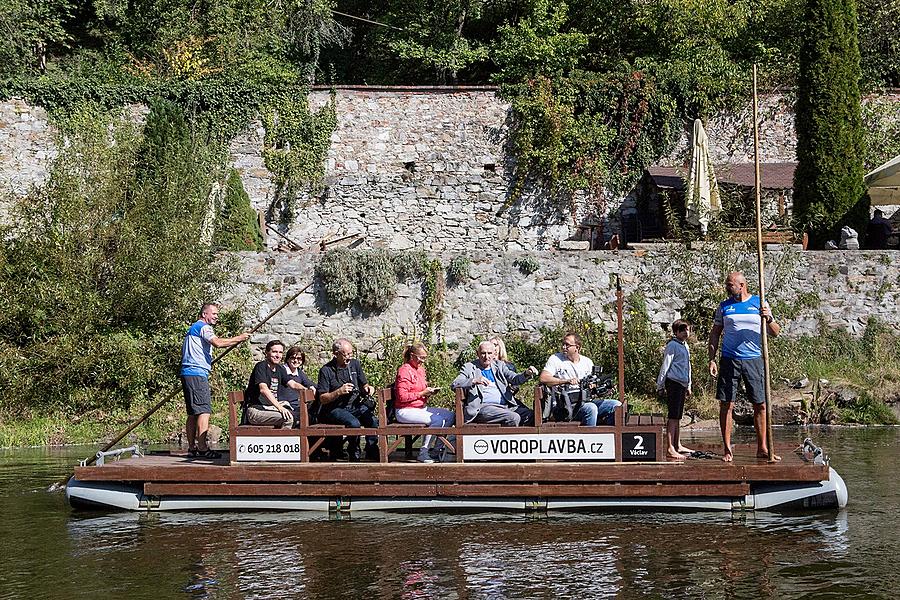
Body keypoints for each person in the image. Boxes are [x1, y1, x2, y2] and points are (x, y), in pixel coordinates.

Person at [708, 271, 781, 462]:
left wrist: (769, 318)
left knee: (760, 404)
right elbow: (715, 333)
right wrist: (712, 358)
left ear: (742, 285)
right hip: (729, 359)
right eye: (727, 284)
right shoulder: (724, 306)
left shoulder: (760, 303)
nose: (727, 288)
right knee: (726, 403)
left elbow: (776, 333)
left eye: (730, 284)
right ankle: (727, 449)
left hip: (754, 359)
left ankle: (763, 447)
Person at [180, 302, 249, 459]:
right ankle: (203, 447)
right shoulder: (204, 327)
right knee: (204, 410)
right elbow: (217, 343)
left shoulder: (193, 328)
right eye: (214, 314)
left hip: (188, 372)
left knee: (192, 413)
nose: (217, 317)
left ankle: (192, 447)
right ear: (205, 314)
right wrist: (239, 338)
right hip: (197, 373)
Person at [316, 338, 379, 461]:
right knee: (354, 423)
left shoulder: (355, 364)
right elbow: (322, 398)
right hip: (334, 408)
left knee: (372, 420)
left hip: (354, 405)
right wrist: (339, 392)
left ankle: (372, 449)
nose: (349, 357)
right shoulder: (326, 370)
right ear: (336, 354)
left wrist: (368, 388)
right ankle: (354, 450)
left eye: (351, 354)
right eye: (346, 355)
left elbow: (364, 384)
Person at [540, 332, 621, 425]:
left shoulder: (587, 362)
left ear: (577, 348)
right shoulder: (555, 359)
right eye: (563, 344)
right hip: (566, 406)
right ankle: (590, 437)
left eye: (567, 345)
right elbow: (543, 378)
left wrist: (602, 389)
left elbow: (594, 385)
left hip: (586, 401)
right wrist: (566, 381)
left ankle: (608, 434)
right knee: (591, 408)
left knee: (616, 405)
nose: (564, 347)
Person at [451, 341, 538, 426]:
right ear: (477, 354)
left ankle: (520, 439)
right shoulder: (469, 367)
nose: (486, 356)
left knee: (531, 415)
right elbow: (455, 383)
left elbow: (515, 379)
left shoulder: (499, 365)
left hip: (505, 406)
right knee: (513, 417)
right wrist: (474, 380)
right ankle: (504, 439)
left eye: (489, 353)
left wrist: (526, 374)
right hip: (483, 407)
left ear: (494, 354)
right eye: (483, 353)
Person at [394, 342, 455, 463]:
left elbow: (420, 390)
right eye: (421, 357)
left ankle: (436, 450)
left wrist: (429, 393)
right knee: (437, 420)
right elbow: (402, 397)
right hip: (405, 410)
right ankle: (423, 452)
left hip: (420, 407)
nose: (423, 361)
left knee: (450, 415)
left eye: (425, 358)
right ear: (412, 356)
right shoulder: (404, 371)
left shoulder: (420, 370)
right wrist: (422, 393)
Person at [244, 340, 307, 428]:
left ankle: (298, 440)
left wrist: (306, 390)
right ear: (266, 352)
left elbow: (293, 384)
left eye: (280, 352)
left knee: (301, 416)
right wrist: (280, 408)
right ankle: (284, 441)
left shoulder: (279, 369)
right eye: (274, 352)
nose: (278, 355)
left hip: (271, 409)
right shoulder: (261, 367)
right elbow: (263, 390)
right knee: (288, 418)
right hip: (256, 410)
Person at [656, 320, 694, 460]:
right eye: (683, 330)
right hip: (673, 382)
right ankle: (670, 447)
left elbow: (687, 366)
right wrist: (660, 385)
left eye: (688, 330)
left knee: (678, 415)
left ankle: (677, 444)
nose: (686, 333)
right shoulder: (672, 346)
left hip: (682, 383)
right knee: (672, 416)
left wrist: (689, 384)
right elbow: (666, 365)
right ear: (676, 332)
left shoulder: (685, 346)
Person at [489, 335, 532, 424]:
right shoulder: (484, 366)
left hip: (507, 398)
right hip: (491, 401)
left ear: (500, 347)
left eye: (495, 345)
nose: (493, 347)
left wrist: (526, 374)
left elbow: (515, 382)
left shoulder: (507, 366)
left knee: (528, 414)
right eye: (491, 344)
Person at [281, 346, 316, 426]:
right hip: (285, 405)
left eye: (299, 359)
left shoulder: (299, 372)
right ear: (287, 358)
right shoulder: (282, 370)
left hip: (296, 405)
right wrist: (305, 389)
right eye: (293, 358)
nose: (296, 360)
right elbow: (293, 384)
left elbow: (308, 382)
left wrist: (311, 387)